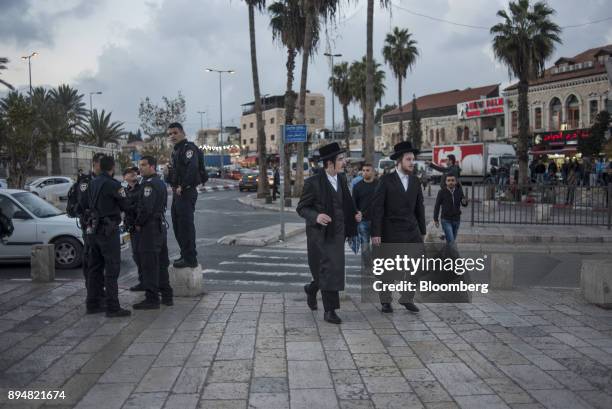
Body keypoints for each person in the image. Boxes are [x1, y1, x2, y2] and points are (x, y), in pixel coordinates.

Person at [297, 142, 360, 324]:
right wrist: (316, 216)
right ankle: (330, 311)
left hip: (338, 234)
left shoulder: (341, 179)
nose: (344, 162)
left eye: (343, 158)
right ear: (329, 163)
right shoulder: (313, 183)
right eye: (340, 159)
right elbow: (302, 208)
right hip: (320, 236)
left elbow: (345, 203)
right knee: (327, 271)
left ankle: (311, 289)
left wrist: (354, 215)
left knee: (331, 271)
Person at [371, 141, 425, 314]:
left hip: (411, 231)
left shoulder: (416, 181)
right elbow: (377, 207)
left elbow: (420, 207)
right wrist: (376, 233)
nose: (412, 162)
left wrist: (422, 231)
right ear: (399, 161)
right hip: (390, 230)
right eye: (409, 159)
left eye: (413, 160)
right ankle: (385, 301)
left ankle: (407, 297)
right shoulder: (386, 181)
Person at [86, 155, 130, 317]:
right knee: (112, 268)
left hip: (93, 228)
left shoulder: (92, 183)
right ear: (112, 168)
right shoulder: (113, 185)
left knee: (95, 268)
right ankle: (113, 307)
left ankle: (92, 304)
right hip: (108, 230)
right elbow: (126, 204)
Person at [132, 156, 173, 309]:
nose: (140, 168)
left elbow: (146, 209)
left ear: (152, 167)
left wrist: (138, 223)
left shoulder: (148, 185)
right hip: (159, 227)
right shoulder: (160, 183)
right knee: (161, 264)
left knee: (149, 265)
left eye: (143, 165)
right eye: (139, 165)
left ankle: (152, 299)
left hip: (149, 229)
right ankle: (167, 296)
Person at [166, 122, 200, 268]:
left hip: (186, 192)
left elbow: (192, 168)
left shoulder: (188, 148)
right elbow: (173, 175)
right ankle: (184, 254)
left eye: (175, 133)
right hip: (177, 193)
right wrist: (167, 174)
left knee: (186, 226)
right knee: (177, 226)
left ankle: (190, 258)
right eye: (170, 134)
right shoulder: (175, 151)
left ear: (183, 133)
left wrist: (183, 185)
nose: (172, 136)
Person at [122, 166, 144, 292]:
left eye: (134, 172)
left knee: (143, 255)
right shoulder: (125, 191)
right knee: (136, 255)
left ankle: (148, 283)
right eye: (129, 173)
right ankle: (143, 281)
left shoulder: (141, 189)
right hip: (132, 227)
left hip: (141, 226)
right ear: (125, 177)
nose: (133, 174)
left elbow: (140, 207)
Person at [352, 163, 378, 269]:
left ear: (373, 172)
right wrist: (356, 215)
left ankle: (377, 265)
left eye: (368, 170)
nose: (365, 172)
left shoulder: (379, 185)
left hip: (377, 221)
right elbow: (354, 204)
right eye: (363, 170)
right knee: (365, 245)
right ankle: (368, 266)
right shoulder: (358, 187)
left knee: (377, 246)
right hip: (363, 221)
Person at [433, 174, 468, 244]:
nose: (450, 182)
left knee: (451, 240)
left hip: (456, 220)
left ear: (455, 182)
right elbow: (437, 206)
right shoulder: (441, 192)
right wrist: (435, 219)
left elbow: (464, 204)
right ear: (446, 182)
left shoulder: (459, 191)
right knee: (451, 241)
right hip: (446, 220)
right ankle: (453, 254)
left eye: (452, 180)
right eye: (448, 180)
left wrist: (465, 202)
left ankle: (446, 253)